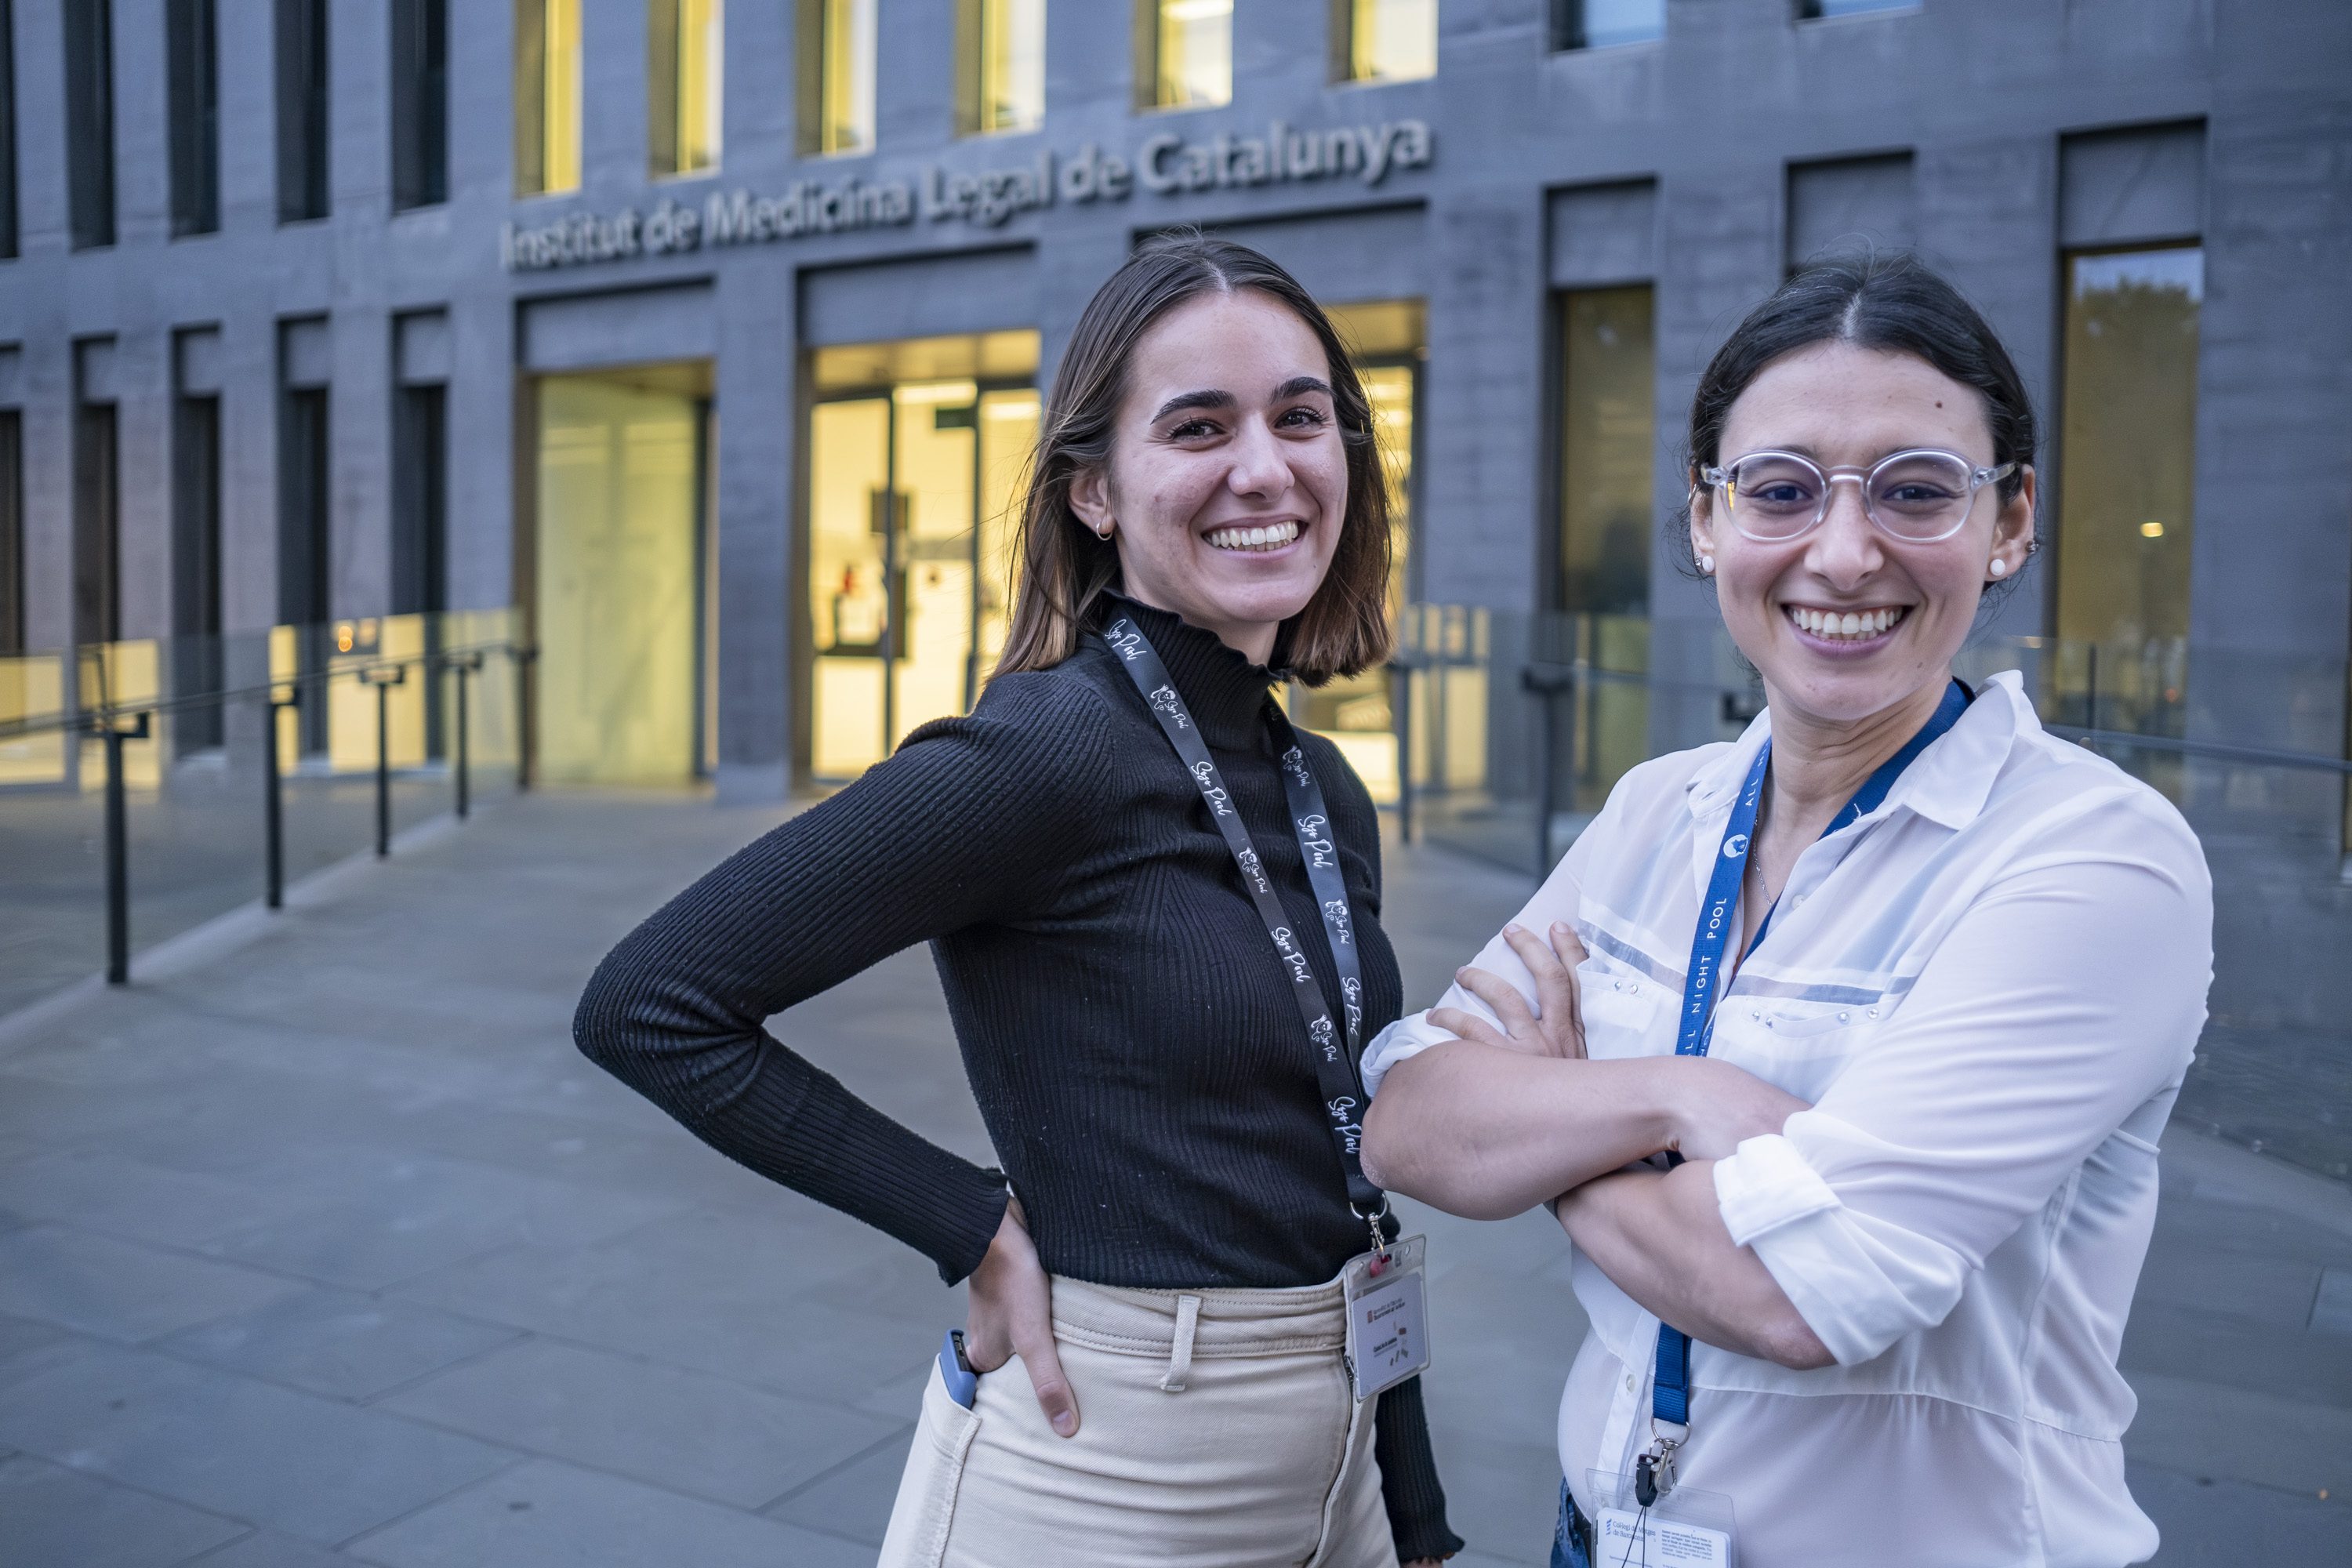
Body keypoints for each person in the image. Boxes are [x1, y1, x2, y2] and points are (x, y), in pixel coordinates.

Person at [574, 234, 1461, 1567]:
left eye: (1302, 416)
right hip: (1108, 1465)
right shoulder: (1050, 751)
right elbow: (650, 1004)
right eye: (1199, 427)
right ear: (1096, 491)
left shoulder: (1320, 785)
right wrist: (966, 1222)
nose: (1265, 468)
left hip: (1342, 1450)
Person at [1358, 253, 2212, 1568]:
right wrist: (1669, 1096)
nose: (1845, 550)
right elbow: (1411, 1119)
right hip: (1603, 1537)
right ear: (1707, 523)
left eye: (1918, 491)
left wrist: (1558, 1114)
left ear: (2013, 521)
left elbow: (1798, 1291)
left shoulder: (2093, 861)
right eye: (1782, 490)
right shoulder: (1660, 808)